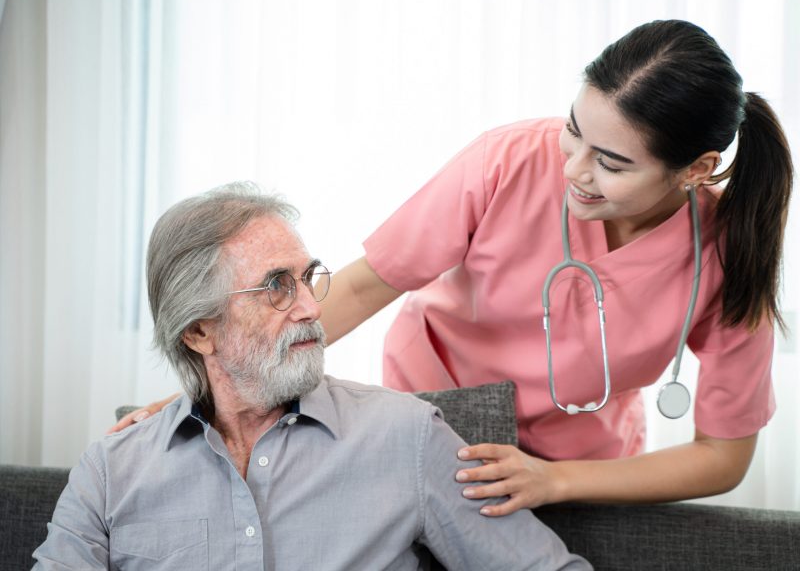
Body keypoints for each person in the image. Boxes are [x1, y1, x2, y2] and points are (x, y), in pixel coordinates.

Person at [113, 20, 794, 517]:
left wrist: (556, 482)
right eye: (574, 132)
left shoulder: (732, 252)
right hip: (437, 402)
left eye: (612, 164)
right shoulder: (508, 162)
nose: (573, 171)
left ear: (696, 170)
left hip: (583, 457)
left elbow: (722, 457)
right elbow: (363, 284)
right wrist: (212, 398)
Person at [35, 184, 589, 570]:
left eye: (307, 278)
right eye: (276, 286)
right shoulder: (111, 470)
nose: (311, 308)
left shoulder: (409, 437)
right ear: (199, 333)